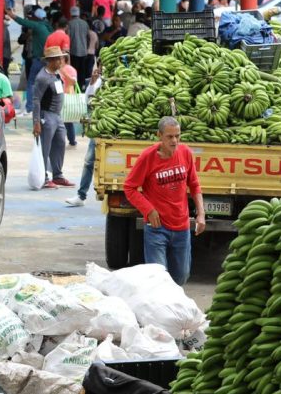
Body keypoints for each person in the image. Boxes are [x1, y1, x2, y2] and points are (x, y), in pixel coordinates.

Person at [122, 116, 205, 285]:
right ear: (159, 135)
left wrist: (201, 214)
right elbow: (129, 187)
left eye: (177, 136)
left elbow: (195, 185)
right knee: (158, 280)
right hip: (157, 228)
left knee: (181, 276)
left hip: (182, 227)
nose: (174, 141)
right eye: (169, 136)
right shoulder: (148, 157)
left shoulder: (185, 153)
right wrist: (148, 209)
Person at [32, 46, 74, 189]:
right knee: (45, 147)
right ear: (51, 60)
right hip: (47, 115)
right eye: (59, 59)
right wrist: (36, 122)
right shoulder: (42, 78)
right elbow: (36, 100)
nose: (62, 61)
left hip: (57, 115)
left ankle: (57, 175)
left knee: (60, 143)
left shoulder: (56, 74)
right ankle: (43, 177)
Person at [65, 65, 103, 207]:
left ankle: (82, 194)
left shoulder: (116, 79)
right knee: (89, 161)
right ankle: (81, 195)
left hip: (110, 124)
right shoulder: (97, 81)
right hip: (99, 125)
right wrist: (93, 82)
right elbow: (87, 100)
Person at [8, 7, 50, 109]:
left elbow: (21, 21)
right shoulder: (48, 27)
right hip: (47, 60)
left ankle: (30, 106)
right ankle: (44, 105)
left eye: (32, 16)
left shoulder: (37, 26)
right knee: (45, 83)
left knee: (31, 82)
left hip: (37, 59)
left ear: (36, 17)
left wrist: (10, 14)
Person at [66, 6, 92, 89]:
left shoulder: (69, 24)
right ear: (78, 13)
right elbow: (88, 37)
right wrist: (86, 47)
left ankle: (74, 87)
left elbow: (68, 37)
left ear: (71, 14)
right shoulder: (85, 23)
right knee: (82, 70)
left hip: (73, 51)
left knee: (74, 70)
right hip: (84, 51)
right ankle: (82, 86)